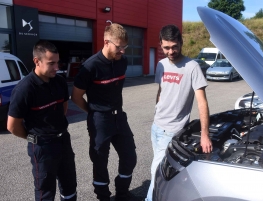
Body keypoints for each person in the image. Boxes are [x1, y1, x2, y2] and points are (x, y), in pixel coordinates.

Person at [145, 24, 213, 201]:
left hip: (173, 130)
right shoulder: (160, 64)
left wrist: (205, 135)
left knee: (156, 173)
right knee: (161, 169)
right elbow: (161, 90)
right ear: (160, 44)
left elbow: (202, 103)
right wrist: (157, 111)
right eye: (166, 47)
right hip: (156, 128)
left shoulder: (192, 67)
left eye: (174, 46)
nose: (171, 51)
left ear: (181, 43)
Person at [71, 23, 137, 201]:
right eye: (119, 47)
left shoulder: (122, 61)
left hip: (119, 117)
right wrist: (92, 112)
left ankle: (122, 194)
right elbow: (76, 97)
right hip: (100, 120)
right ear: (106, 42)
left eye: (125, 47)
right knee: (100, 162)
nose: (122, 51)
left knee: (130, 157)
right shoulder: (90, 67)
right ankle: (103, 198)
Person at [7, 40, 77, 200]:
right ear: (36, 61)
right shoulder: (24, 89)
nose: (57, 67)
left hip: (63, 141)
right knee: (45, 192)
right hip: (42, 147)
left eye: (57, 62)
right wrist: (33, 138)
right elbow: (12, 126)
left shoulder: (59, 82)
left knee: (69, 185)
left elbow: (63, 107)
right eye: (51, 63)